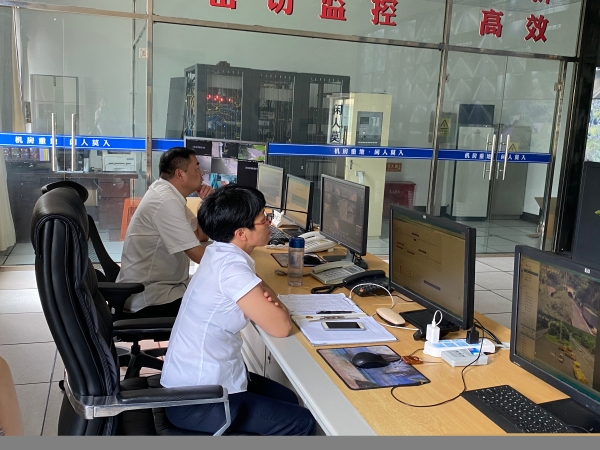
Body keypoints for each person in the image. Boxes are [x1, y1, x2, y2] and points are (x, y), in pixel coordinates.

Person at [160, 185, 317, 436]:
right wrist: (274, 304)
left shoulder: (218, 251)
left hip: (195, 382)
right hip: (198, 401)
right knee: (302, 422)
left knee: (287, 398)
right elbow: (280, 326)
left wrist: (266, 296)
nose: (269, 222)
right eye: (264, 218)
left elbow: (263, 291)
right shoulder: (232, 269)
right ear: (241, 233)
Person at [116, 147, 214, 319]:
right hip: (151, 298)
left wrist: (207, 203)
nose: (202, 174)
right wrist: (240, 255)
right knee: (220, 306)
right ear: (180, 174)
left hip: (165, 286)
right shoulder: (165, 201)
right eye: (197, 168)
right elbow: (199, 256)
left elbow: (200, 235)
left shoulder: (168, 194)